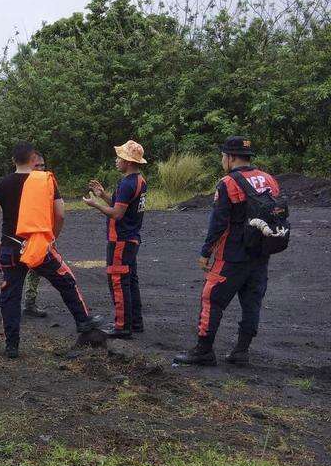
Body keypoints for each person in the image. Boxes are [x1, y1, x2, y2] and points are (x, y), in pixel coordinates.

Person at [0, 141, 102, 358]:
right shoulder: (45, 181)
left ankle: (12, 346)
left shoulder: (2, 183)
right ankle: (84, 323)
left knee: (10, 295)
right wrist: (52, 238)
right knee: (65, 280)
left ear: (13, 161)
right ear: (33, 160)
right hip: (39, 247)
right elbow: (61, 214)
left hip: (10, 246)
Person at [174, 136, 281, 366]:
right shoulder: (269, 179)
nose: (222, 160)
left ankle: (203, 350)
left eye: (223, 156)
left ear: (231, 157)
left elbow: (219, 223)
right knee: (252, 303)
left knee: (211, 298)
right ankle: (241, 351)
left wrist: (205, 252)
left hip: (232, 255)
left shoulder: (228, 183)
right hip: (261, 253)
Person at [83, 140, 148, 338]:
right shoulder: (138, 180)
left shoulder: (128, 183)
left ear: (128, 161)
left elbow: (117, 214)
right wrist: (103, 196)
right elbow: (121, 206)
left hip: (120, 239)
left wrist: (95, 205)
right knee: (130, 281)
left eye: (119, 157)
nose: (116, 161)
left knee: (118, 281)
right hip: (131, 237)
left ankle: (122, 326)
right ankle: (135, 322)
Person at [23, 152, 47, 318]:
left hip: (39, 235)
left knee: (35, 270)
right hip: (23, 234)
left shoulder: (46, 183)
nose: (40, 168)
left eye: (42, 165)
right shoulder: (22, 183)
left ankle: (29, 303)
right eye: (36, 165)